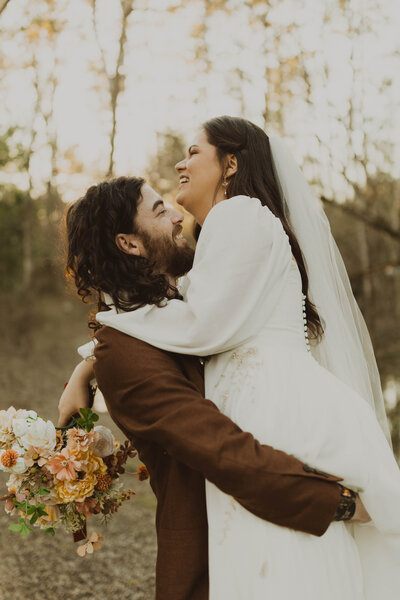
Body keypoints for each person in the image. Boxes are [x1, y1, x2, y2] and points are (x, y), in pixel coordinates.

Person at [77, 117, 400, 599]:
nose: (180, 164)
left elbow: (198, 324)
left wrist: (95, 347)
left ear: (230, 164)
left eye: (193, 152)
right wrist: (90, 361)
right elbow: (182, 309)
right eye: (157, 207)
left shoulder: (238, 215)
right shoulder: (229, 231)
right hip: (273, 408)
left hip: (270, 408)